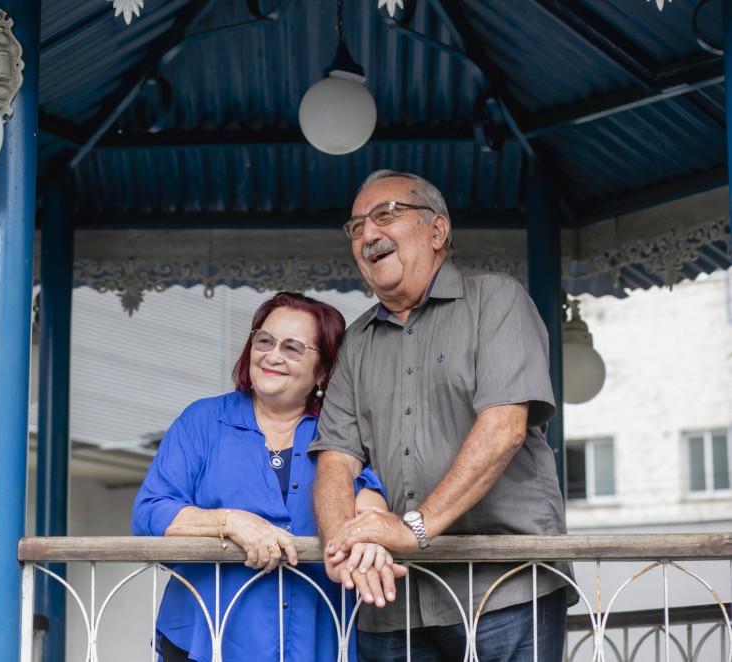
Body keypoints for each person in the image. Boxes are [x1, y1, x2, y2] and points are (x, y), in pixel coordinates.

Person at [309, 170, 575, 661]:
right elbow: (334, 460)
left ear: (436, 232)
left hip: (503, 590)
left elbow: (504, 429)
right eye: (356, 227)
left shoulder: (497, 300)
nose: (368, 234)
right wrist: (342, 546)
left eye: (386, 215)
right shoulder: (357, 341)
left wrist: (413, 528)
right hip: (390, 601)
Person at [132, 291, 391, 662]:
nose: (272, 355)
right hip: (206, 638)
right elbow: (149, 513)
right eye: (264, 340)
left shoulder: (340, 433)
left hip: (317, 639)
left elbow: (370, 494)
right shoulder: (203, 420)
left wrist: (371, 515)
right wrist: (230, 521)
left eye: (293, 348)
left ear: (323, 370)